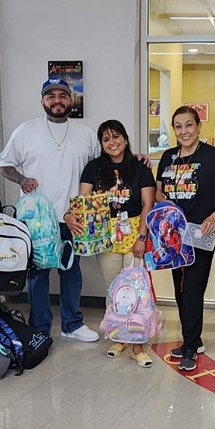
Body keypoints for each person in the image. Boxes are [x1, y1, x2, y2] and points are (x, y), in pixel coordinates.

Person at [0, 78, 102, 343]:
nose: (57, 100)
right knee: (37, 276)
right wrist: (21, 179)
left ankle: (72, 324)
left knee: (71, 272)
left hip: (72, 217)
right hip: (36, 220)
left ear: (71, 100)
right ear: (42, 101)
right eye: (50, 96)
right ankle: (40, 326)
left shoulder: (85, 134)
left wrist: (136, 160)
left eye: (62, 95)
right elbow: (4, 164)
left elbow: (103, 165)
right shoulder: (26, 131)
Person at [157, 105, 215, 372]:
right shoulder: (168, 157)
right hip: (174, 234)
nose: (184, 131)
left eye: (189, 125)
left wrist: (213, 218)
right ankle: (194, 339)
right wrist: (165, 202)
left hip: (201, 233)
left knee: (192, 288)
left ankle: (190, 345)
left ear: (198, 126)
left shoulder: (214, 157)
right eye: (178, 126)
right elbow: (158, 191)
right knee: (180, 287)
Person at [74, 119, 157, 367]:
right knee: (113, 291)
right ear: (101, 144)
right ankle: (118, 337)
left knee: (137, 292)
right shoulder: (93, 168)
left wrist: (142, 237)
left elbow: (148, 204)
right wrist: (92, 203)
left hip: (135, 233)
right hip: (105, 236)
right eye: (106, 139)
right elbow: (84, 200)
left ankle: (138, 346)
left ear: (125, 138)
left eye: (116, 136)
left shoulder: (140, 167)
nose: (112, 142)